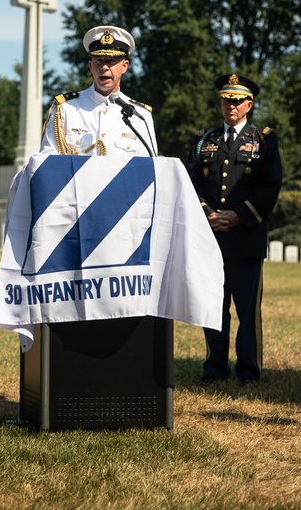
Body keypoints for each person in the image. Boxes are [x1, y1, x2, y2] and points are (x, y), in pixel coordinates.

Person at [186, 73, 282, 386]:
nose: (231, 105)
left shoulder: (264, 140)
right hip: (211, 237)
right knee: (214, 305)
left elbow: (270, 186)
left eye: (237, 100)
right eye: (226, 99)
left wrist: (239, 216)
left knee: (247, 310)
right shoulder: (205, 141)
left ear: (249, 104)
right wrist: (208, 214)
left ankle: (248, 371)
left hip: (246, 237)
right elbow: (191, 184)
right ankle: (215, 366)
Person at [40, 25, 158, 156]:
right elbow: (48, 160)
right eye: (99, 61)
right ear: (90, 65)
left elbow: (148, 167)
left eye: (112, 61)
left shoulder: (140, 115)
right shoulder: (66, 109)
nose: (104, 67)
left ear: (125, 66)